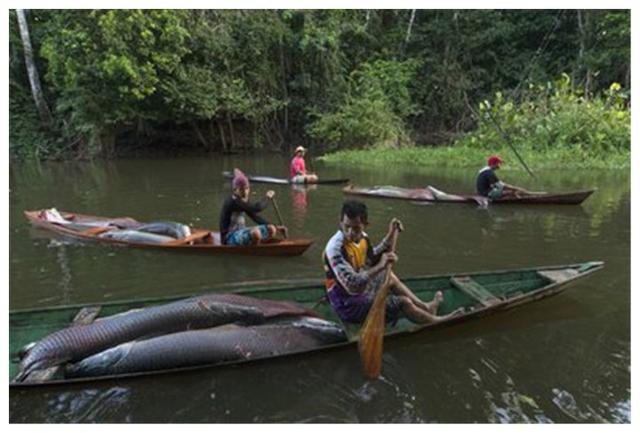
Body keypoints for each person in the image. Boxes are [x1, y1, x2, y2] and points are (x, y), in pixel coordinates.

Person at [323, 200, 462, 325]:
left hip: (358, 293)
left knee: (387, 275)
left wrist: (390, 235)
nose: (350, 233)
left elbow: (371, 258)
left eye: (356, 228)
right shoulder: (335, 249)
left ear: (365, 225)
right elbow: (352, 286)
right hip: (348, 305)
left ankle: (425, 307)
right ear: (340, 222)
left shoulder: (363, 238)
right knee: (402, 302)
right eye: (346, 226)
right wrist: (380, 266)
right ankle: (435, 322)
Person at [219, 168, 287, 245]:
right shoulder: (233, 201)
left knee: (271, 228)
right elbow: (257, 208)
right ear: (235, 190)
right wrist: (267, 197)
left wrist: (276, 227)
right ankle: (254, 248)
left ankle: (261, 244)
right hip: (229, 237)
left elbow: (255, 217)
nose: (245, 192)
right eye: (241, 189)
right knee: (256, 234)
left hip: (241, 231)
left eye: (247, 188)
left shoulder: (242, 200)